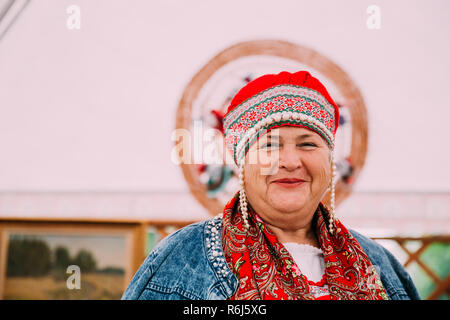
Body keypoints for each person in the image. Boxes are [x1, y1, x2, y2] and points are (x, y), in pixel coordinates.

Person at [122, 71, 420, 300]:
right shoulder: (182, 259)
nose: (290, 161)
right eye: (270, 145)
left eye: (308, 144)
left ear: (329, 161)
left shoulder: (378, 264)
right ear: (242, 163)